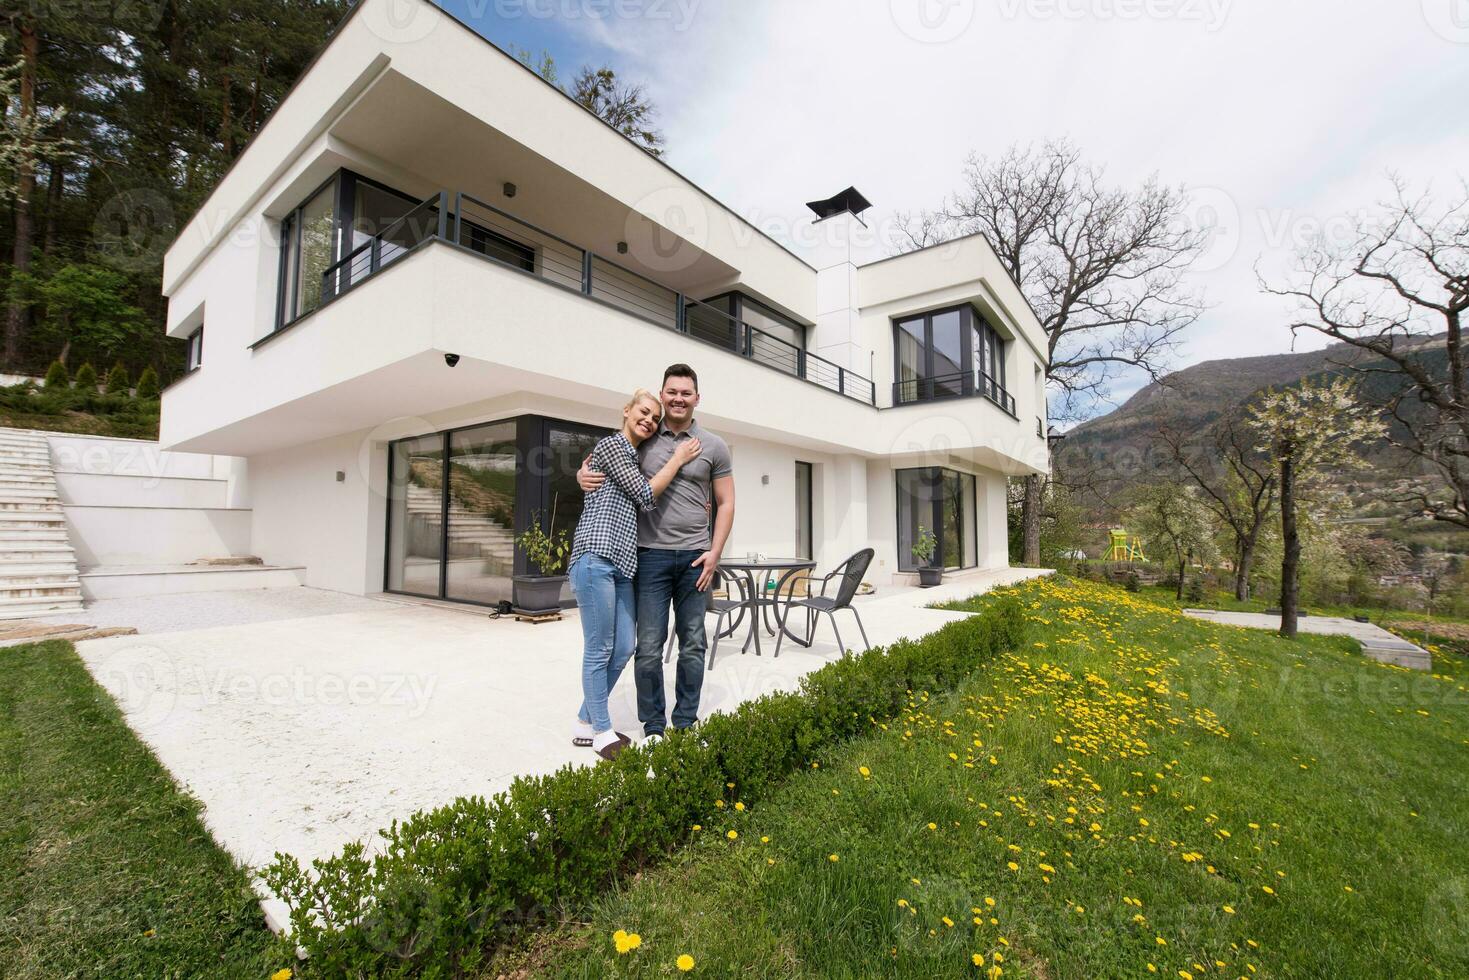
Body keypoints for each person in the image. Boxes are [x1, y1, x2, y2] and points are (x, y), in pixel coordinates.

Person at [579, 364, 734, 745]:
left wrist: (715, 553)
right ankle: (653, 727)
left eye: (686, 392)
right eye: (672, 392)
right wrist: (580, 475)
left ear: (697, 398)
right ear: (662, 396)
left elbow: (726, 502)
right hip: (648, 556)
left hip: (696, 557)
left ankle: (685, 722)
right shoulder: (644, 438)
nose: (678, 398)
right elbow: (603, 463)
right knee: (647, 646)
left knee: (693, 641)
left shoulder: (714, 445)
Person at [569, 387, 701, 761]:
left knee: (625, 646)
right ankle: (599, 729)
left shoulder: (632, 452)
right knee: (600, 649)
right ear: (626, 411)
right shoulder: (612, 446)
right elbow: (645, 495)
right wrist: (676, 459)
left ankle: (584, 719)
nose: (649, 420)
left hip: (624, 565)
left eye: (654, 418)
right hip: (595, 556)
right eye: (643, 412)